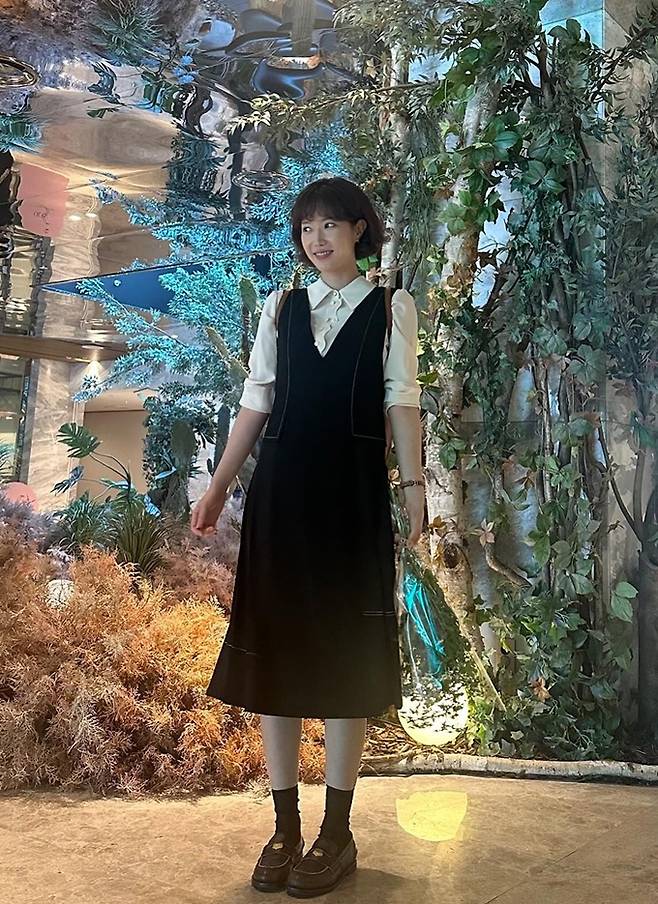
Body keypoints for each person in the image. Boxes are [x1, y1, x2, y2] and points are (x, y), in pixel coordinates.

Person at [191, 176, 424, 898]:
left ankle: (337, 831)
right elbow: (255, 401)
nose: (316, 239)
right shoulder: (281, 307)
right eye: (305, 228)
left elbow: (403, 402)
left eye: (329, 225)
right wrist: (219, 485)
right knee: (280, 662)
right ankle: (285, 827)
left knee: (346, 660)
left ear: (359, 230)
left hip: (352, 499)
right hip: (281, 500)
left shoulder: (391, 308)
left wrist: (416, 490)